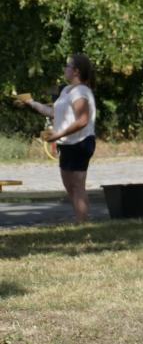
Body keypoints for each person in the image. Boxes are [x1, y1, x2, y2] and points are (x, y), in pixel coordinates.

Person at [22, 54, 97, 222]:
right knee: (69, 186)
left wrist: (58, 135)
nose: (65, 69)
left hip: (80, 143)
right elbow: (53, 113)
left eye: (68, 66)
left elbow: (82, 120)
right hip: (66, 143)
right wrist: (31, 102)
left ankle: (83, 223)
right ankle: (80, 219)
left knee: (77, 185)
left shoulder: (80, 92)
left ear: (76, 71)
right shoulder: (66, 90)